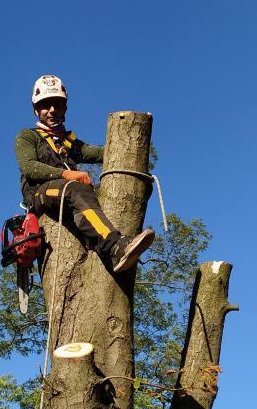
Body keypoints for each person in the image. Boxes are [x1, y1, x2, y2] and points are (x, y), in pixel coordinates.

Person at [14, 74, 155, 273]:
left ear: (65, 107)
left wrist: (133, 150)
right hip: (40, 196)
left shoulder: (68, 143)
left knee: (94, 192)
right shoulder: (28, 136)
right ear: (36, 110)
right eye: (46, 105)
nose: (52, 110)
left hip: (67, 192)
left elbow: (98, 152)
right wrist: (66, 175)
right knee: (74, 189)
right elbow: (29, 167)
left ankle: (107, 251)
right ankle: (116, 246)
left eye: (57, 104)